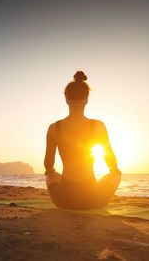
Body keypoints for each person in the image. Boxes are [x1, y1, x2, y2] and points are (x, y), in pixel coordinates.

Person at [44, 71, 121, 210]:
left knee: (50, 174)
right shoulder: (98, 126)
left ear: (66, 99)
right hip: (94, 201)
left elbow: (48, 165)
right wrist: (114, 170)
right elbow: (111, 162)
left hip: (64, 201)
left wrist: (52, 171)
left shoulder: (54, 128)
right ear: (86, 100)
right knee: (116, 174)